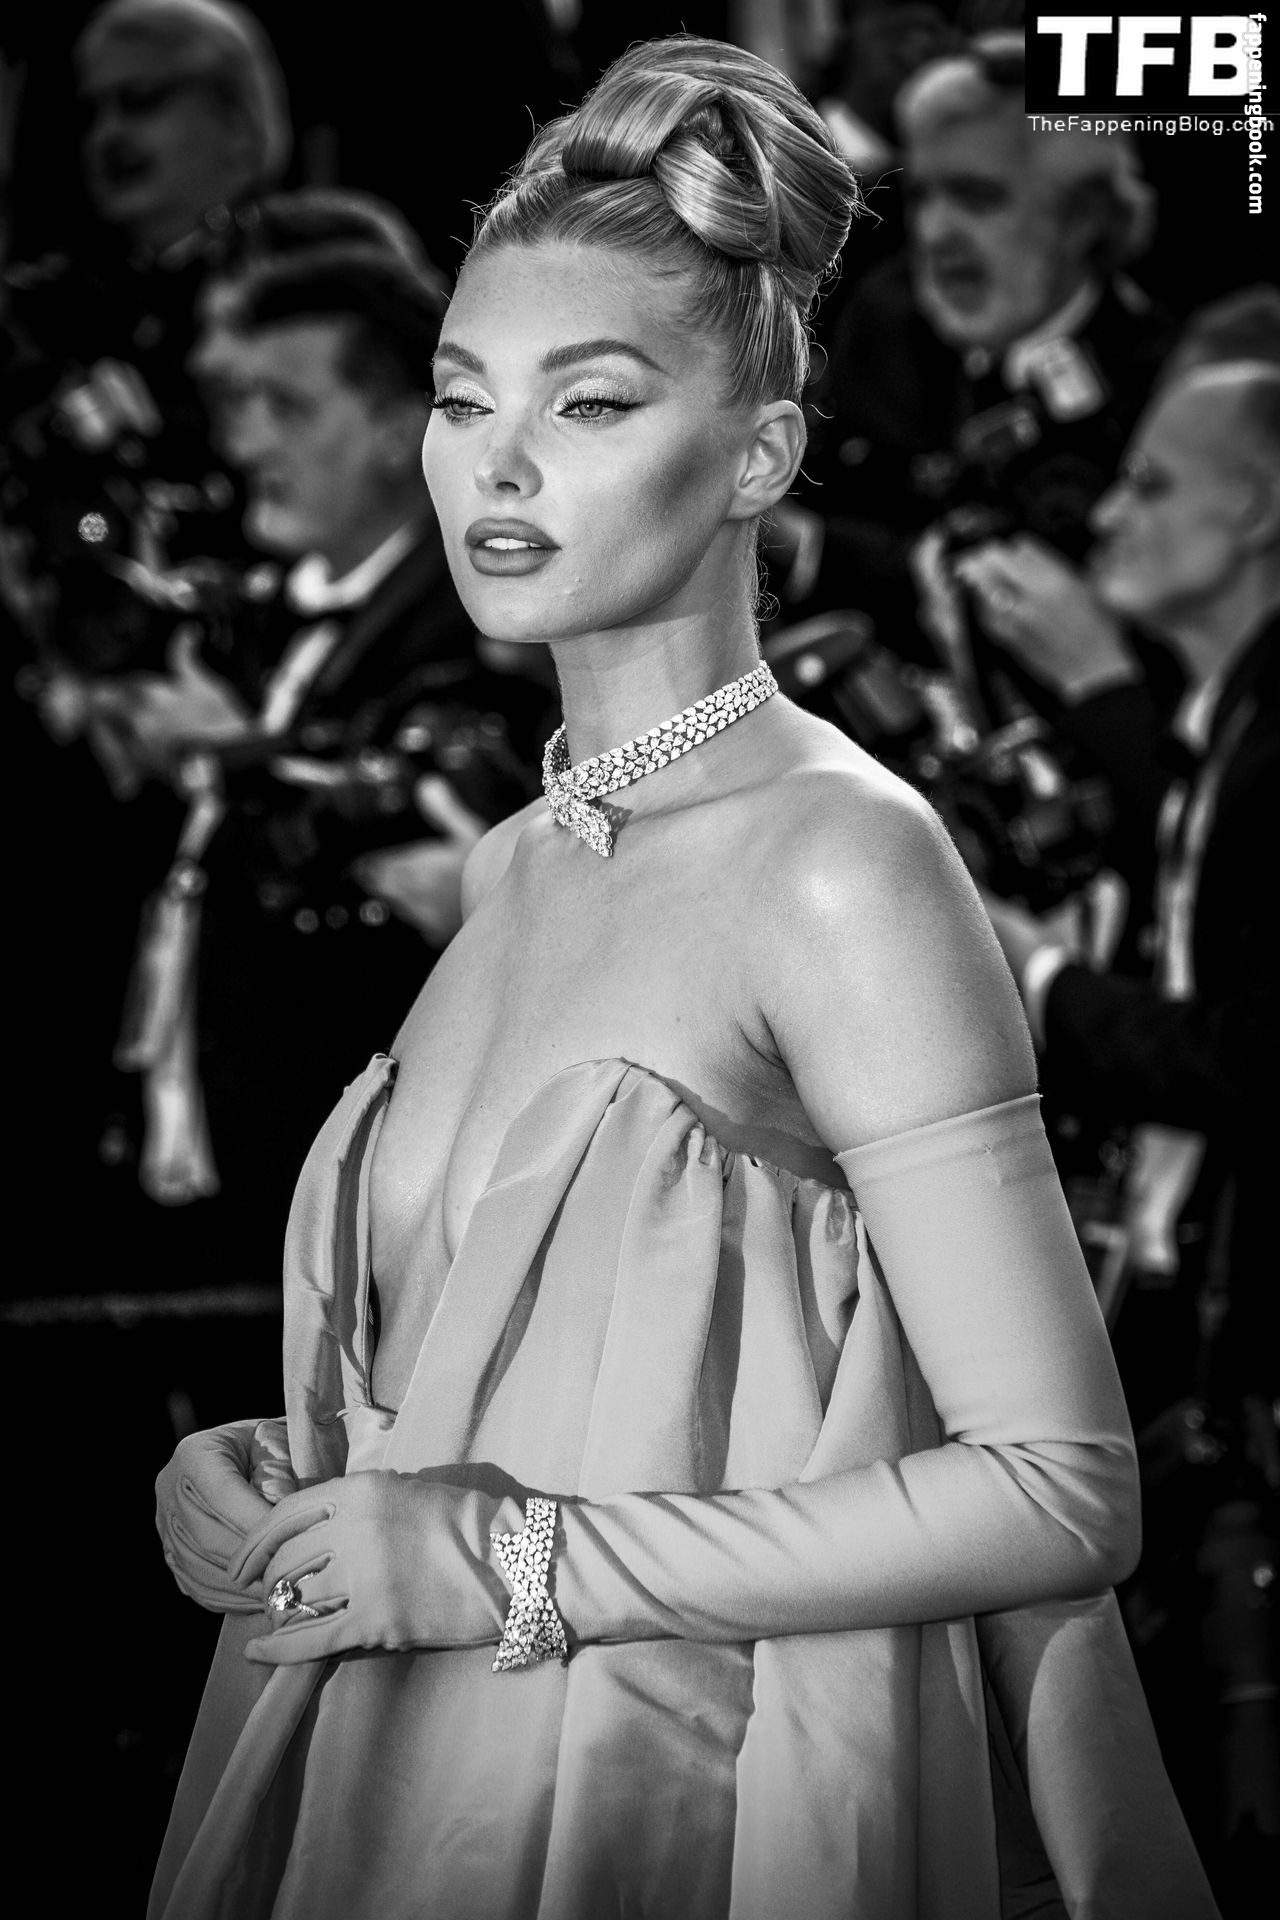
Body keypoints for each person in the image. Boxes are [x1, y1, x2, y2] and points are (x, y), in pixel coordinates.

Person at [150, 37, 1217, 1920]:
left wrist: (510, 1567)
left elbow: (1060, 1484)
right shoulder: (516, 861)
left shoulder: (842, 863)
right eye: (461, 398)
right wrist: (281, 1480)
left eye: (591, 402)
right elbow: (503, 1396)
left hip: (671, 1809)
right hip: (387, 1779)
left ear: (760, 456)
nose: (499, 463)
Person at [110, 244, 550, 1266]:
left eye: (290, 407)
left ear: (400, 430)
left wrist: (240, 758)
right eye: (241, 406)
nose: (249, 443)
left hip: (383, 1208)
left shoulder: (481, 628)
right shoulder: (254, 618)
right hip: (227, 1158)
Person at [973, 359, 1280, 1423]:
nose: (1106, 514)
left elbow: (1253, 1060)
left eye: (1151, 485)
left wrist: (1038, 980)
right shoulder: (1230, 720)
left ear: (1254, 511)